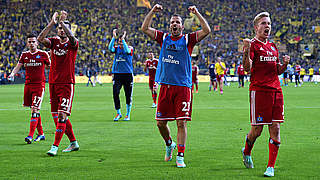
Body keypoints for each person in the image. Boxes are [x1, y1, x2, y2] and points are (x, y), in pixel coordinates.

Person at [141, 4, 211, 168]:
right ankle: (169, 144)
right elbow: (144, 28)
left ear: (182, 25)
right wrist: (152, 11)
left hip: (183, 87)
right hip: (166, 86)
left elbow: (206, 30)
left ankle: (180, 155)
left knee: (181, 123)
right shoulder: (163, 37)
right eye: (172, 22)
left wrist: (197, 13)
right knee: (160, 123)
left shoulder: (188, 39)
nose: (175, 24)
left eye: (177, 22)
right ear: (170, 25)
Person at [241, 12, 290, 177]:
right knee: (257, 130)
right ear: (256, 27)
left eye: (268, 23)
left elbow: (277, 71)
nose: (267, 26)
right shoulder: (253, 44)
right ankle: (247, 151)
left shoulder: (273, 47)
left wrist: (284, 65)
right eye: (263, 23)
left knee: (275, 128)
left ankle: (270, 167)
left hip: (276, 91)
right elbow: (247, 69)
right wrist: (245, 52)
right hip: (259, 92)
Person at [37, 10, 79, 156]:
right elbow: (40, 38)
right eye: (59, 28)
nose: (61, 30)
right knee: (57, 117)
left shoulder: (73, 43)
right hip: (53, 83)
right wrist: (52, 22)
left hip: (67, 83)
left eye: (63, 28)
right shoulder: (54, 42)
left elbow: (72, 38)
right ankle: (73, 142)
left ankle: (54, 146)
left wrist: (61, 21)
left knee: (62, 115)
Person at [8, 33, 50, 144]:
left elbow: (50, 65)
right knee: (34, 109)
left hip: (39, 86)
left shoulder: (43, 54)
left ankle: (30, 136)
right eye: (29, 42)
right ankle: (41, 134)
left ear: (37, 43)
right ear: (27, 43)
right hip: (28, 86)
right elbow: (18, 66)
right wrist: (12, 74)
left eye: (33, 41)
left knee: (35, 109)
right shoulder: (24, 55)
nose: (31, 44)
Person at [108, 29, 134, 121]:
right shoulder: (116, 49)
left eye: (122, 42)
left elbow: (127, 51)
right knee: (115, 93)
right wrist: (113, 38)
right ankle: (118, 113)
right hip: (117, 75)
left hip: (127, 75)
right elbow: (110, 48)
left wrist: (123, 39)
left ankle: (128, 114)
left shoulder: (130, 48)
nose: (120, 44)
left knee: (128, 95)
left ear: (125, 41)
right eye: (119, 42)